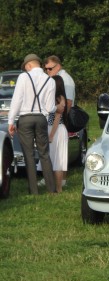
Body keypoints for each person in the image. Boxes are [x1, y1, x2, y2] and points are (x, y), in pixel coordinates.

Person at [8, 54, 58, 194]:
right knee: (44, 154)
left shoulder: (23, 77)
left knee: (28, 154)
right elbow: (50, 107)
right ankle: (51, 189)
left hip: (25, 118)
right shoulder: (50, 80)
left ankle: (33, 190)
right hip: (41, 118)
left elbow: (16, 100)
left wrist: (11, 121)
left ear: (29, 65)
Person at [43, 55, 75, 186]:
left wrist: (62, 119)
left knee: (58, 155)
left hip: (59, 123)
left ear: (58, 66)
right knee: (58, 154)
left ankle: (60, 181)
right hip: (57, 123)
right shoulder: (57, 78)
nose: (47, 72)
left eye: (50, 69)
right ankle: (59, 181)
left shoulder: (64, 80)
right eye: (45, 69)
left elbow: (67, 103)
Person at [37, 75, 68, 192]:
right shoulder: (54, 98)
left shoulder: (59, 99)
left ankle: (59, 188)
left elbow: (57, 118)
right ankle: (54, 186)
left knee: (58, 160)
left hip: (56, 130)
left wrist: (51, 135)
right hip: (52, 129)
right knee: (53, 158)